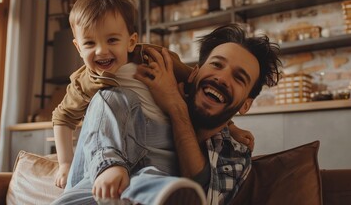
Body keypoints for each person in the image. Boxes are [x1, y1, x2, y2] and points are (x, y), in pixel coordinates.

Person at [51, 23, 282, 205]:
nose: (221, 78)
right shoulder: (143, 103)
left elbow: (204, 200)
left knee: (145, 179)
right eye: (216, 64)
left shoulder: (235, 154)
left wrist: (174, 104)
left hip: (146, 189)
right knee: (109, 98)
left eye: (239, 78)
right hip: (96, 187)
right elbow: (67, 115)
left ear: (246, 105)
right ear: (193, 74)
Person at [52, 0, 254, 190]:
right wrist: (65, 164)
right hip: (121, 141)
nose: (101, 50)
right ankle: (96, 180)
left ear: (131, 41)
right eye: (89, 43)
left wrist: (232, 127)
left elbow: (200, 88)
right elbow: (62, 117)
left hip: (163, 137)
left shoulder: (152, 58)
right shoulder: (83, 82)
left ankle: (159, 192)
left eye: (112, 40)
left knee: (153, 178)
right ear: (78, 48)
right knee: (109, 98)